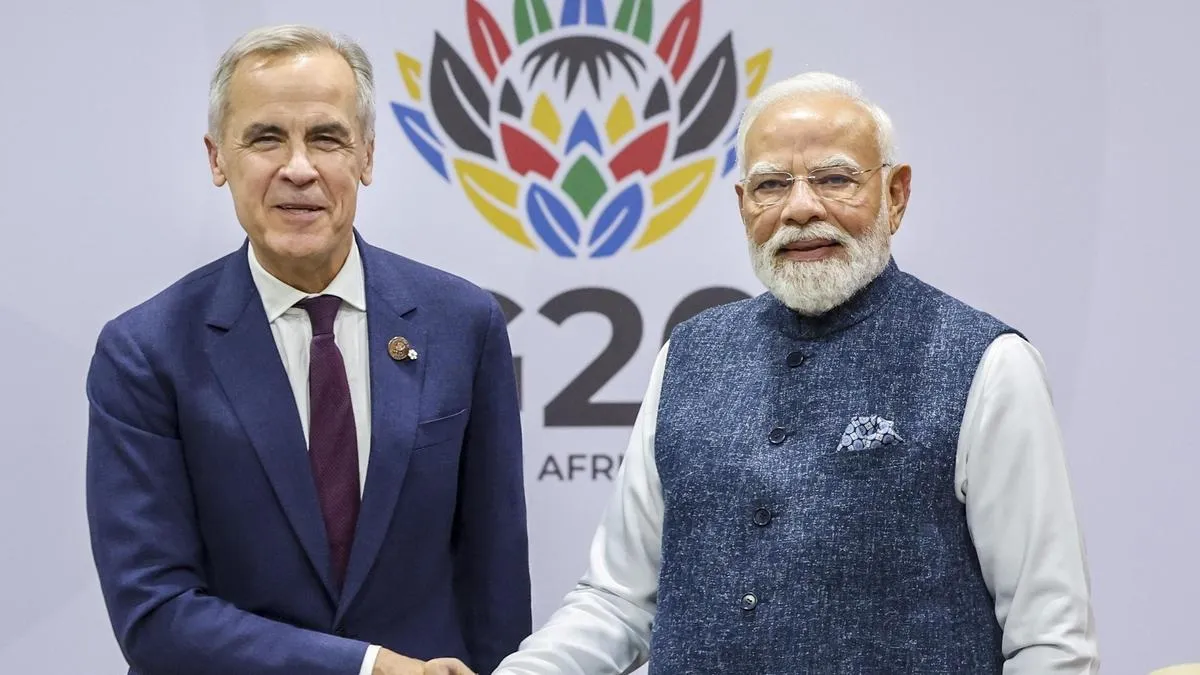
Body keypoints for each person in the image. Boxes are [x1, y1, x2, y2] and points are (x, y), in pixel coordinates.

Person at [492, 72, 1099, 674]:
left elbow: (1048, 639)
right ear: (742, 205)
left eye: (836, 179)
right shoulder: (689, 354)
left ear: (897, 195)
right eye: (771, 185)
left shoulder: (987, 363)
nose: (801, 209)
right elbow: (618, 602)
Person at [85, 24, 531, 675]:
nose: (299, 167)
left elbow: (495, 585)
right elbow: (154, 611)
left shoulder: (463, 324)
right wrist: (367, 666)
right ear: (217, 159)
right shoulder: (145, 353)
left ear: (367, 157)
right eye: (267, 138)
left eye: (326, 137)